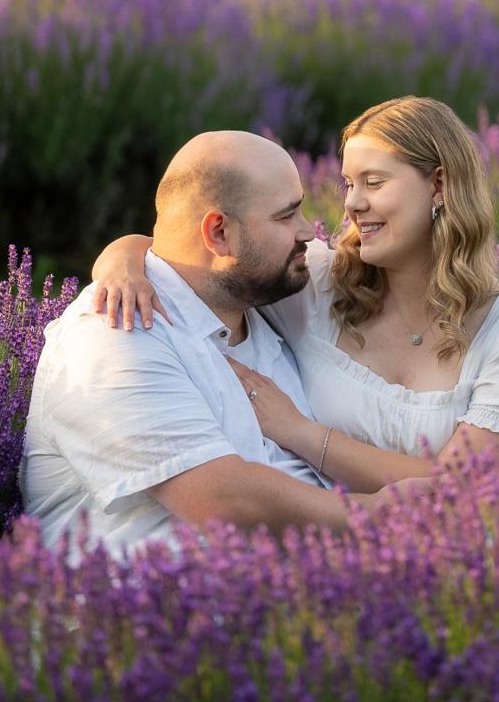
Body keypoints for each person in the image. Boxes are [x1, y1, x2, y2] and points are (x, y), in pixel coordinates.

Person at [92, 96, 499, 494]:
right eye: (348, 183)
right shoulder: (320, 285)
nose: (353, 203)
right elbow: (194, 246)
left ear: (439, 184)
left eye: (374, 182)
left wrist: (297, 430)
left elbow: (459, 490)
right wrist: (121, 262)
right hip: (350, 546)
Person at [20, 130, 400, 560]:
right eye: (286, 215)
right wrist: (381, 515)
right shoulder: (115, 332)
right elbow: (224, 499)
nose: (306, 233)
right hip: (144, 616)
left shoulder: (267, 307)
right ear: (218, 233)